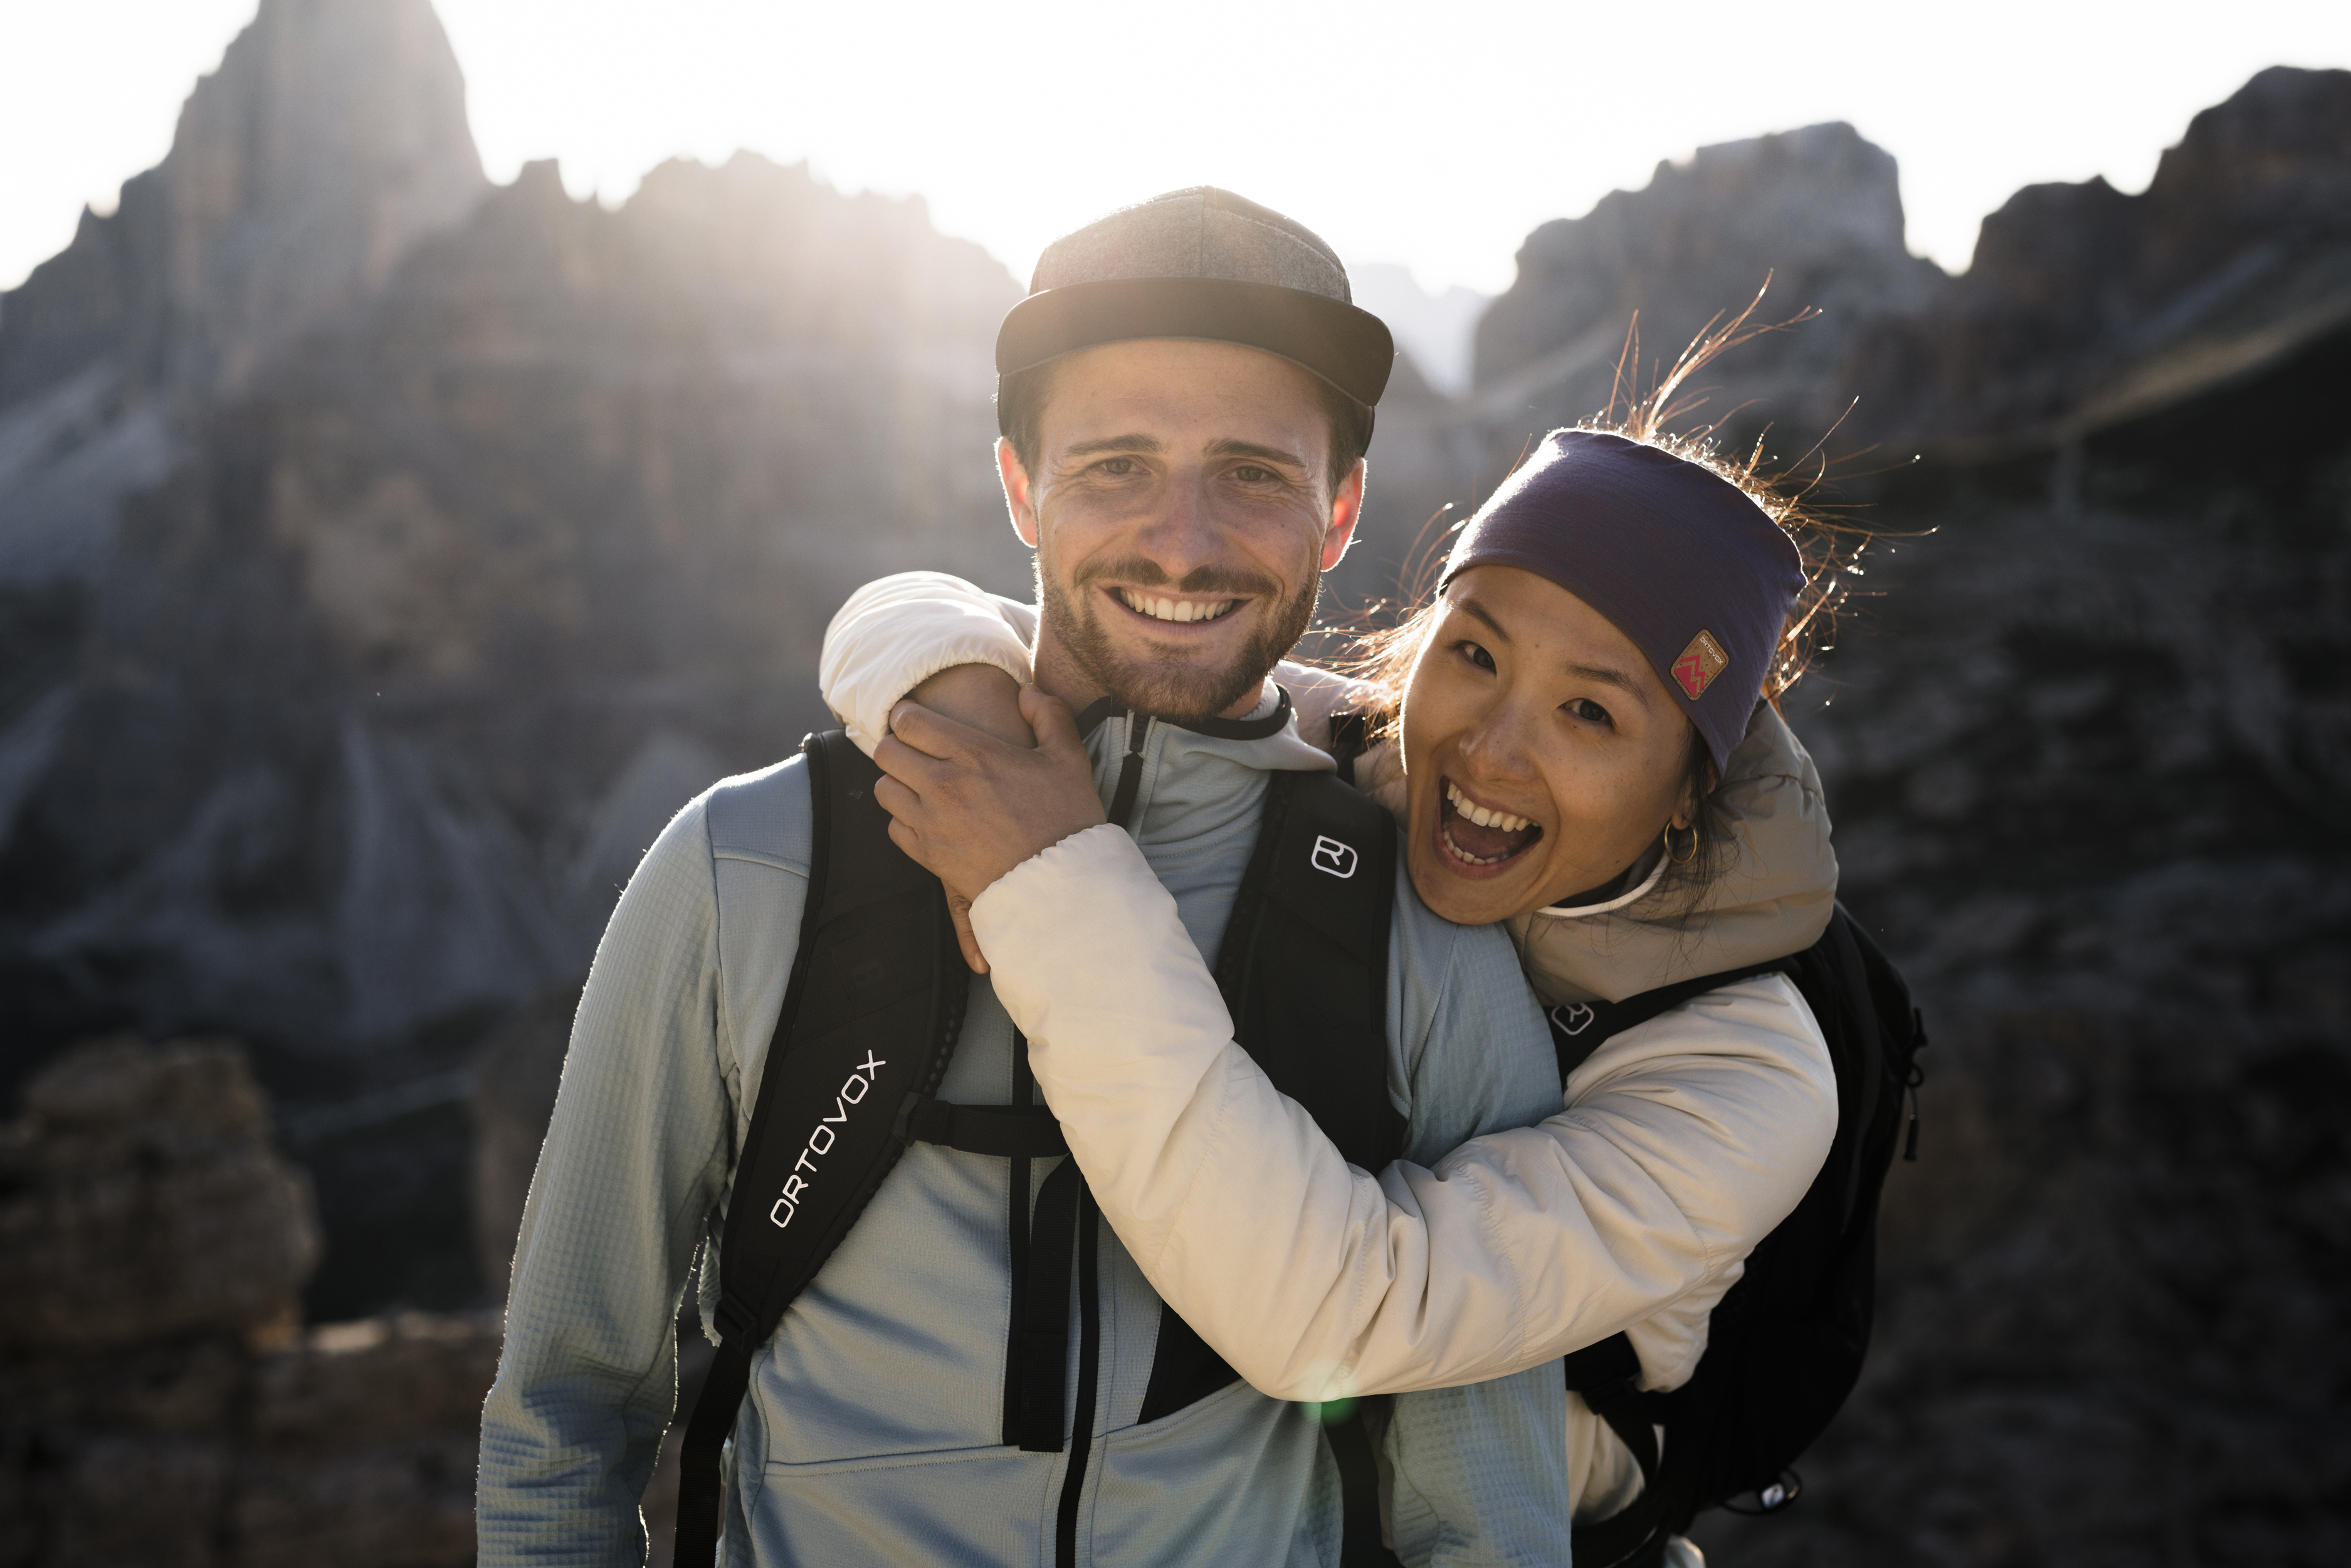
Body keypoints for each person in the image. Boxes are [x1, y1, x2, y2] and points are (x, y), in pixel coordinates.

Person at [477, 187, 1579, 1567]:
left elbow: (1487, 1517)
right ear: (1018, 489)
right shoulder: (747, 868)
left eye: (1252, 472)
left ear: (1341, 506)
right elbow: (563, 1415)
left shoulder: (1423, 931)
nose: (1181, 540)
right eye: (1115, 463)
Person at [824, 382, 1846, 1562]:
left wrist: (1046, 876)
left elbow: (1336, 1308)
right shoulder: (1357, 759)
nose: (1489, 749)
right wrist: (962, 703)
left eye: (1589, 713)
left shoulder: (1745, 1071)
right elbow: (932, 605)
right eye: (1473, 654)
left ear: (1687, 794)